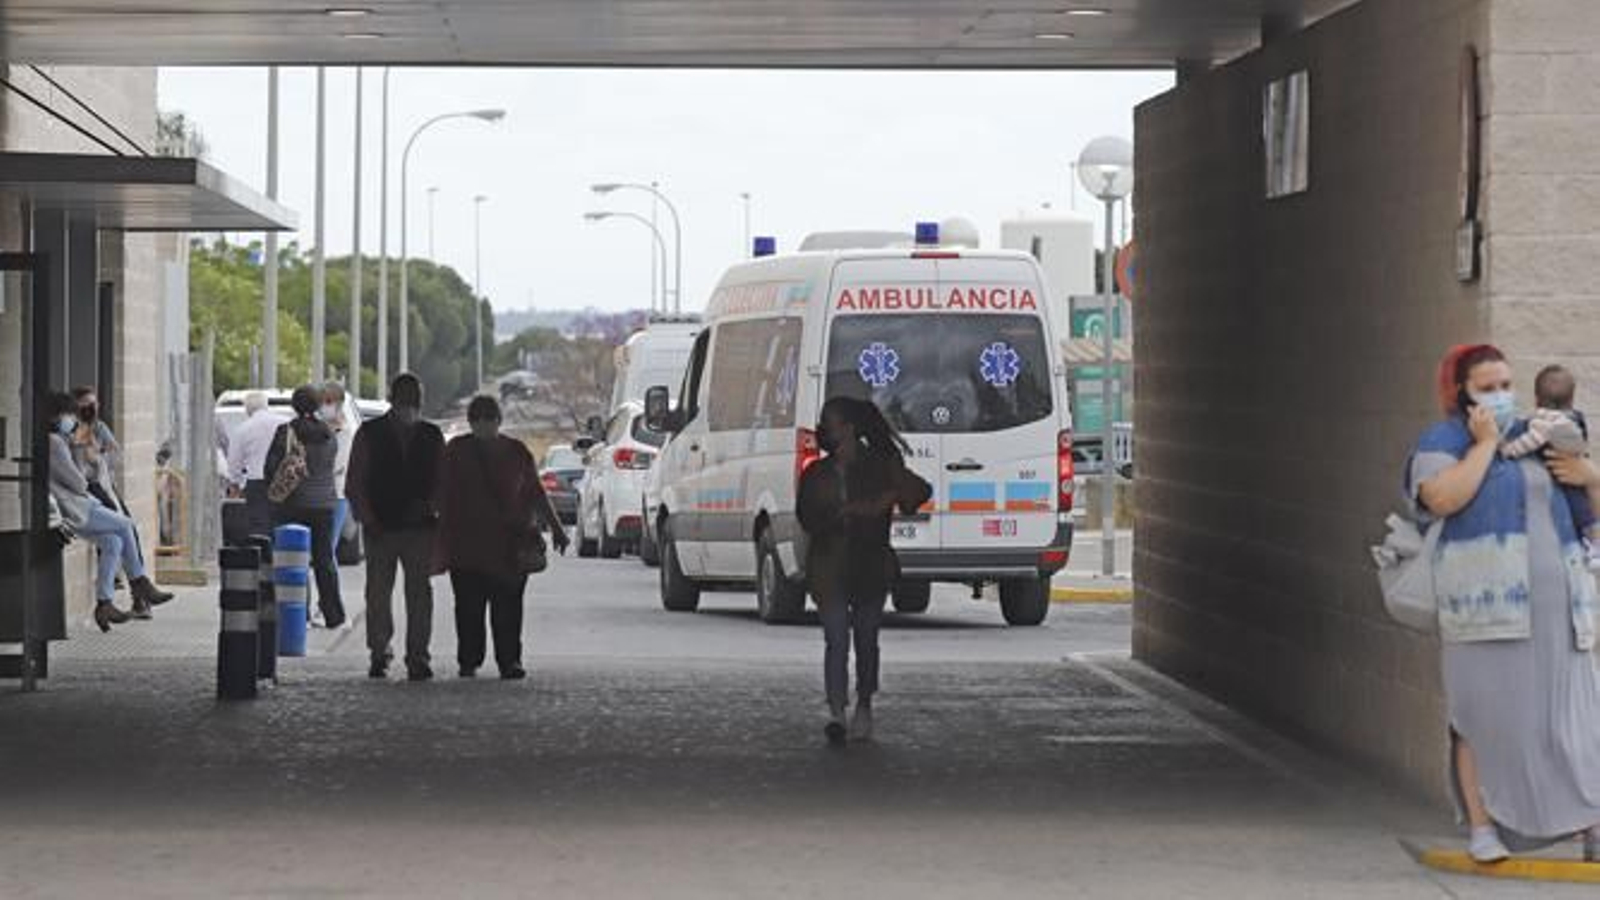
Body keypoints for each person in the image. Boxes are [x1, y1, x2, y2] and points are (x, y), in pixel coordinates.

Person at [1408, 344, 1600, 863]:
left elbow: (1588, 510)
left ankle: (1590, 823)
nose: (1500, 396)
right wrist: (1486, 445)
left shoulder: (1538, 436)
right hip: (1483, 611)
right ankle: (1483, 826)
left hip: (1560, 609)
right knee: (1481, 717)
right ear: (1461, 393)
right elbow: (1441, 498)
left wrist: (1591, 478)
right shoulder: (1442, 441)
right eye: (1487, 388)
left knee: (1574, 718)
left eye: (1505, 385)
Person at [796, 396, 931, 745]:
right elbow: (807, 517)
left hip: (870, 564)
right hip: (829, 566)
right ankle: (837, 710)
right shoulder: (817, 473)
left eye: (829, 423)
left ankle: (864, 703)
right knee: (837, 639)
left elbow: (917, 492)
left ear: (849, 428)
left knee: (866, 639)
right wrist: (841, 514)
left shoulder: (879, 465)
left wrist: (884, 498)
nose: (823, 430)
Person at [436, 396, 569, 680]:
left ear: (498, 420)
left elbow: (535, 492)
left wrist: (557, 528)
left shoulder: (488, 451)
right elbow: (535, 493)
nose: (484, 425)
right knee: (484, 608)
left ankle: (492, 661)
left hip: (497, 548)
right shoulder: (463, 451)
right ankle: (489, 661)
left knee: (488, 608)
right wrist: (556, 529)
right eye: (479, 419)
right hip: (480, 547)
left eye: (488, 419)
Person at [43, 392, 172, 631]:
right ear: (57, 415)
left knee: (113, 542)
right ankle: (139, 582)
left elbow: (112, 457)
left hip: (78, 504)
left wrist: (86, 452)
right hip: (74, 506)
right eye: (71, 414)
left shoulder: (69, 438)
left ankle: (105, 603)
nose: (74, 419)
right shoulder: (55, 443)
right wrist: (83, 454)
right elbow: (78, 482)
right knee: (125, 524)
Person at [346, 373, 444, 681]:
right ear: (394, 399)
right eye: (406, 399)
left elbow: (443, 481)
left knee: (416, 595)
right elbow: (356, 482)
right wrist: (369, 519)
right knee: (381, 595)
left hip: (417, 528)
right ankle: (382, 652)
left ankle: (416, 656)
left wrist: (431, 507)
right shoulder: (370, 433)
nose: (409, 405)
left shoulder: (430, 435)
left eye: (412, 399)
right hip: (382, 528)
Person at [1498, 364, 1599, 567]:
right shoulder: (1576, 417)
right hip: (1573, 473)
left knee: (1578, 509)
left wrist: (1508, 451)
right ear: (1572, 398)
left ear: (1536, 399)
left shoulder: (1542, 421)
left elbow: (1529, 442)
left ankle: (1591, 545)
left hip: (1564, 473)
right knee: (1583, 511)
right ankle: (1592, 543)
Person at [265, 385, 346, 629]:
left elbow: (271, 468)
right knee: (324, 561)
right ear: (318, 405)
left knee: (292, 560)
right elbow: (330, 464)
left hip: (293, 504)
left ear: (294, 406)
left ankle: (299, 613)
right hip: (324, 505)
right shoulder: (328, 433)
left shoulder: (286, 432)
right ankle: (334, 615)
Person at [225, 391, 287, 539]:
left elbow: (234, 462)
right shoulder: (286, 423)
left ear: (247, 410)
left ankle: (263, 551)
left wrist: (236, 484)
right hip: (284, 481)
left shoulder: (242, 429)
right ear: (266, 405)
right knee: (283, 522)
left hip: (256, 483)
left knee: (259, 526)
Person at [321, 381, 355, 561]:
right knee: (320, 549)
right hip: (316, 495)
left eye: (328, 401)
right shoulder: (317, 427)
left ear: (339, 403)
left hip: (337, 494)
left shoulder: (345, 431)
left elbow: (338, 465)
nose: (324, 406)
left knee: (328, 547)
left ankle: (330, 579)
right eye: (322, 401)